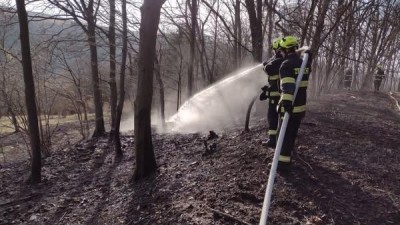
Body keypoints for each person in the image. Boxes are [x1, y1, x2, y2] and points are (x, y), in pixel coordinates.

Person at [277, 36, 312, 171]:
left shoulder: (286, 65)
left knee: (284, 135)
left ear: (286, 50)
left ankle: (282, 164)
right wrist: (309, 54)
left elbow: (287, 85)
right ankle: (288, 157)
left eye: (282, 50)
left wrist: (286, 103)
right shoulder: (304, 64)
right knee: (291, 134)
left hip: (290, 107)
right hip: (300, 106)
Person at [260, 37, 284, 148]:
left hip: (276, 96)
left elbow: (268, 69)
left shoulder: (279, 61)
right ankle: (279, 140)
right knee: (278, 119)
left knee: (273, 118)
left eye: (274, 50)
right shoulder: (283, 60)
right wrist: (267, 90)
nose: (274, 52)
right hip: (280, 94)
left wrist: (264, 65)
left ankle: (273, 141)